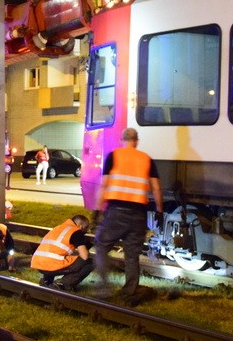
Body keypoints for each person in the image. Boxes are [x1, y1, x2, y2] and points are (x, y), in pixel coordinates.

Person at [93, 127, 163, 302]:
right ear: (136, 141)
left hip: (116, 211)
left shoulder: (114, 156)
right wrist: (160, 211)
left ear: (121, 140)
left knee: (101, 246)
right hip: (139, 214)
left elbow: (103, 185)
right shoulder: (146, 159)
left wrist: (97, 209)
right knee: (132, 255)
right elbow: (156, 188)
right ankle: (129, 291)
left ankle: (104, 287)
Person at [31, 214, 94, 291]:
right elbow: (84, 256)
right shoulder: (76, 231)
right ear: (80, 225)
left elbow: (56, 250)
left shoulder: (58, 228)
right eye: (86, 227)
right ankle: (63, 284)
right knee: (90, 262)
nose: (87, 231)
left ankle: (46, 281)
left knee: (58, 258)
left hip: (38, 263)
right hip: (51, 264)